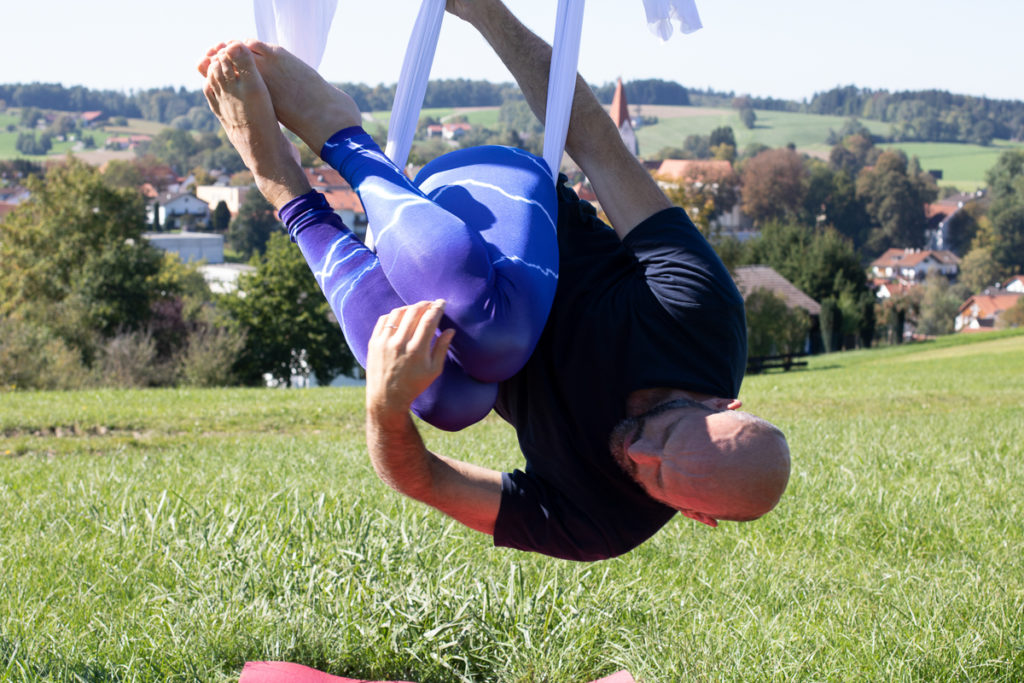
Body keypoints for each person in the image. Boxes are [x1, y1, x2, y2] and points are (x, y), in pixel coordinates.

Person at [198, 0, 790, 562]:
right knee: (501, 333)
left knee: (450, 400)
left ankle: (284, 189)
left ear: (695, 516)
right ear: (720, 404)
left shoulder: (600, 522)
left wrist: (385, 405)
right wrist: (485, 10)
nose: (638, 451)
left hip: (419, 261)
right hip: (492, 195)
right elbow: (597, 145)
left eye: (657, 474)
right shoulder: (701, 317)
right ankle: (342, 137)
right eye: (666, 436)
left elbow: (427, 480)